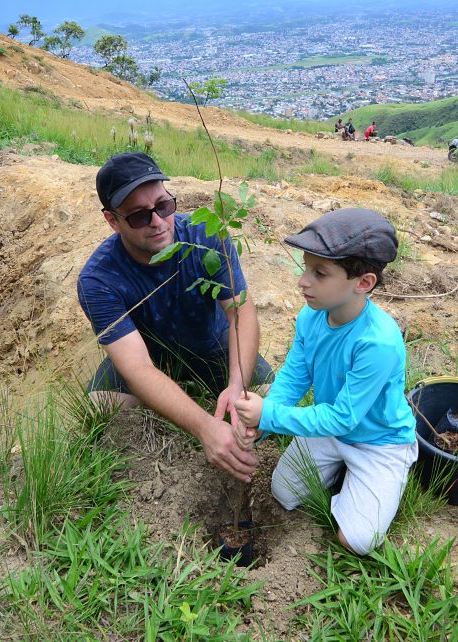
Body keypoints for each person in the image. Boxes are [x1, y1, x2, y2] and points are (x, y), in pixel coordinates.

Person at [77, 151, 273, 482]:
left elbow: (240, 311)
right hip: (151, 358)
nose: (157, 221)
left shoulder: (206, 236)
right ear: (112, 220)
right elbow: (137, 367)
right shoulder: (98, 280)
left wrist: (237, 384)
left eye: (164, 206)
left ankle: (205, 400)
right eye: (139, 216)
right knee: (98, 409)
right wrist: (204, 426)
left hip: (213, 346)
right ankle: (172, 416)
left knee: (268, 399)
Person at [233, 208, 418, 556]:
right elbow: (294, 376)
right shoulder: (312, 316)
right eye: (306, 268)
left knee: (358, 541)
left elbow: (344, 417)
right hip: (329, 429)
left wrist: (268, 415)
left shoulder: (377, 343)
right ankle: (342, 473)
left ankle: (376, 479)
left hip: (378, 441)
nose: (303, 281)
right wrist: (264, 420)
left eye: (319, 273)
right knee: (283, 492)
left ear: (363, 283)